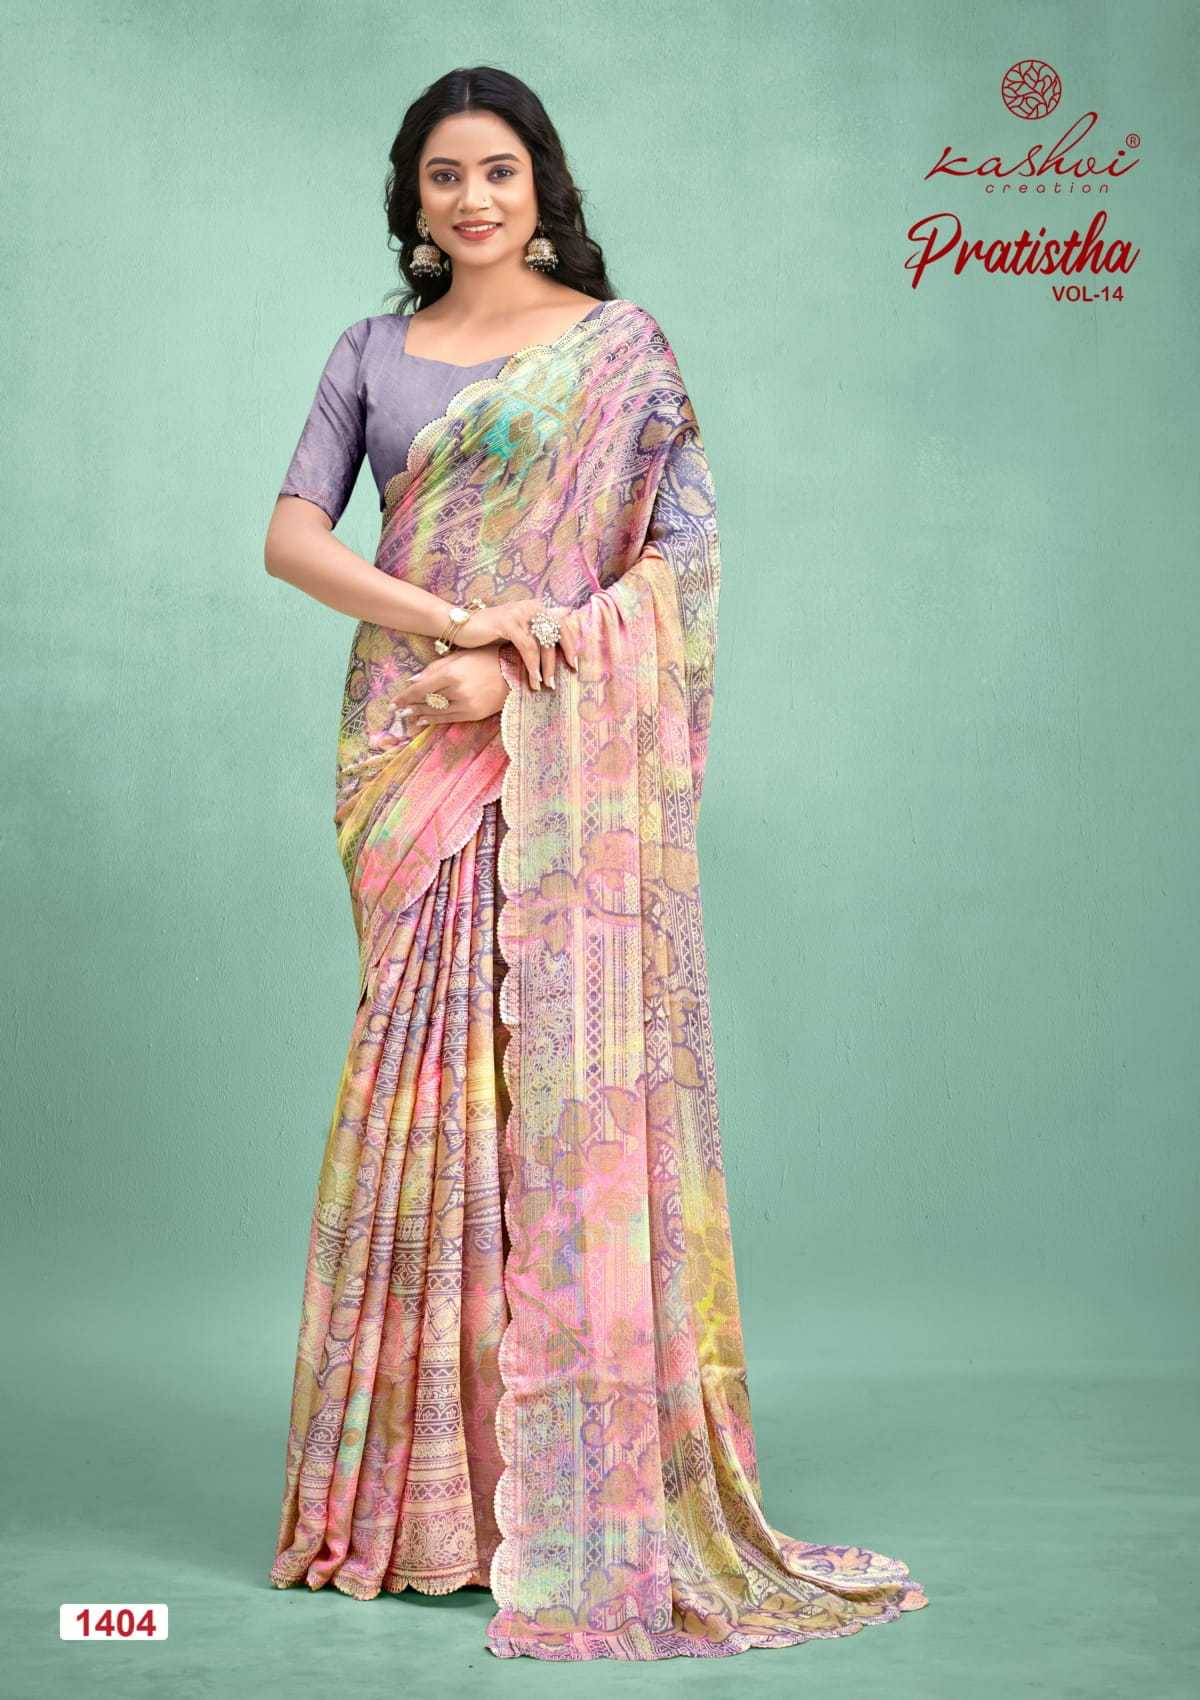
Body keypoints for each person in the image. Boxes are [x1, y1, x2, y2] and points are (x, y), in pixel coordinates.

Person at [264, 64, 929, 1663]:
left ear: (542, 184)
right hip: (409, 750)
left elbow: (678, 569)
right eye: (443, 175)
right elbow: (294, 538)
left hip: (548, 750)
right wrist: (454, 626)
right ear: (413, 199)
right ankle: (418, 1506)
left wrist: (518, 667)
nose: (472, 198)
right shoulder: (369, 353)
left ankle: (565, 1492)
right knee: (430, 1099)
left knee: (553, 1098)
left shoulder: (619, 352)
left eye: (497, 170)